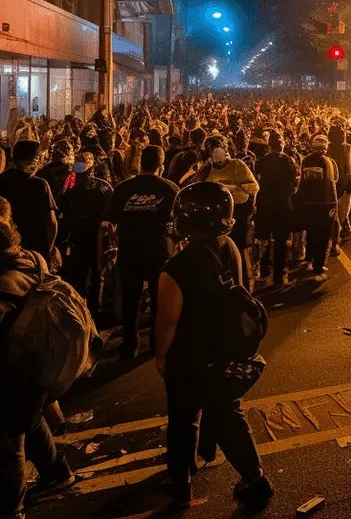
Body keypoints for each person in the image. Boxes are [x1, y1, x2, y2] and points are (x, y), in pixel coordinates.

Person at [154, 182, 273, 508]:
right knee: (226, 412)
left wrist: (161, 357)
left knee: (183, 417)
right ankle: (251, 476)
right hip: (227, 348)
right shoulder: (229, 247)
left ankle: (182, 480)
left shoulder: (175, 268)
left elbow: (168, 321)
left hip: (190, 356)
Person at [0, 200, 75, 519]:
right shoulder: (31, 258)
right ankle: (57, 472)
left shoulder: (6, 282)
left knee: (8, 440)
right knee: (29, 418)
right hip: (40, 360)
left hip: (14, 369)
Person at [102, 146, 179, 357]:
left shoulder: (123, 189)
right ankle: (156, 342)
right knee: (158, 300)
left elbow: (109, 222)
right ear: (161, 166)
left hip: (130, 250)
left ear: (140, 162)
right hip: (160, 252)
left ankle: (130, 344)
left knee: (130, 300)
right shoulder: (170, 189)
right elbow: (179, 223)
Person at [181, 136, 260, 288]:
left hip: (238, 212)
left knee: (239, 250)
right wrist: (205, 168)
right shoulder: (207, 168)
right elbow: (195, 185)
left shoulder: (237, 164)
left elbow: (254, 186)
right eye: (212, 149)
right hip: (217, 216)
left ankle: (244, 286)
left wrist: (229, 188)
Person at [59, 151, 113, 314]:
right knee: (95, 274)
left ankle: (78, 308)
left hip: (80, 238)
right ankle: (93, 309)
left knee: (80, 275)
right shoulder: (102, 188)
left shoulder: (72, 189)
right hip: (92, 239)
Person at [253, 130, 299, 286]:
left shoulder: (261, 162)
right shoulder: (289, 161)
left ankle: (264, 270)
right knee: (280, 241)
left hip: (266, 205)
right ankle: (279, 276)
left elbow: (257, 183)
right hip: (283, 205)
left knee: (264, 239)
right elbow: (294, 184)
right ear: (282, 144)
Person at [0, 141, 57, 263]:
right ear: (36, 159)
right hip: (34, 253)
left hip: (6, 248)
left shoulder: (1, 180)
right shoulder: (40, 185)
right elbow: (52, 223)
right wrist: (49, 251)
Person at [294, 135, 338, 279]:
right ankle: (318, 266)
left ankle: (309, 259)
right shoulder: (329, 161)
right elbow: (334, 180)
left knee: (311, 232)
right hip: (326, 203)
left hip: (308, 203)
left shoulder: (305, 160)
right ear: (325, 147)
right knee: (324, 235)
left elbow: (302, 182)